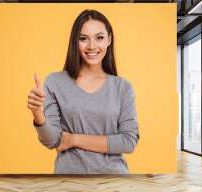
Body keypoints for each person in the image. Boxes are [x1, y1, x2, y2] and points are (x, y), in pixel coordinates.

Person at [27, 9, 139, 174]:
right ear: (75, 42)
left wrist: (73, 139)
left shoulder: (123, 88)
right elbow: (53, 141)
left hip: (113, 182)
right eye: (83, 39)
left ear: (109, 39)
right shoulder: (55, 82)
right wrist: (37, 114)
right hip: (68, 181)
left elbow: (128, 142)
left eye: (99, 38)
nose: (92, 46)